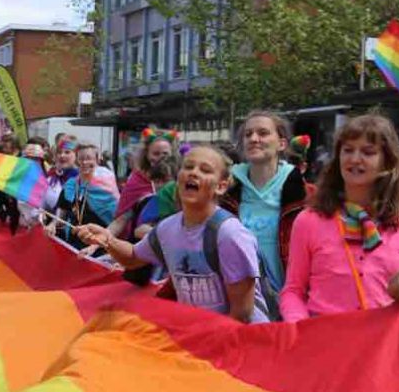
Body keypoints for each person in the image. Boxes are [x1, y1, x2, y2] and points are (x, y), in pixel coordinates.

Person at [78, 145, 269, 324]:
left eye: (205, 170)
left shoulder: (230, 235)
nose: (193, 172)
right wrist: (108, 240)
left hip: (241, 343)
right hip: (200, 339)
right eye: (188, 167)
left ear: (221, 186)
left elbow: (242, 314)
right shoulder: (167, 228)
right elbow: (133, 257)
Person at [281, 114, 399, 322]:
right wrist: (300, 328)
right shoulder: (308, 221)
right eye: (348, 150)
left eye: (368, 152)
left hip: (384, 348)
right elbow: (293, 291)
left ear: (387, 163)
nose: (354, 159)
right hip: (324, 345)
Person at [221, 111, 310, 301]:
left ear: (282, 143)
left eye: (263, 133)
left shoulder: (306, 194)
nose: (254, 139)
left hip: (289, 303)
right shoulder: (224, 190)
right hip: (237, 301)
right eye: (248, 134)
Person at [46, 144, 119, 251]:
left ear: (97, 160)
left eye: (89, 158)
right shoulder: (70, 185)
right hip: (73, 243)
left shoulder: (106, 185)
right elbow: (62, 212)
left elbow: (116, 219)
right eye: (81, 159)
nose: (84, 162)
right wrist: (52, 224)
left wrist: (95, 246)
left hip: (99, 244)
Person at [109, 128, 177, 240]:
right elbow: (121, 220)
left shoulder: (180, 180)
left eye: (165, 153)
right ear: (147, 155)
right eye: (156, 153)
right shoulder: (137, 180)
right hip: (141, 246)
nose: (161, 157)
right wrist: (100, 240)